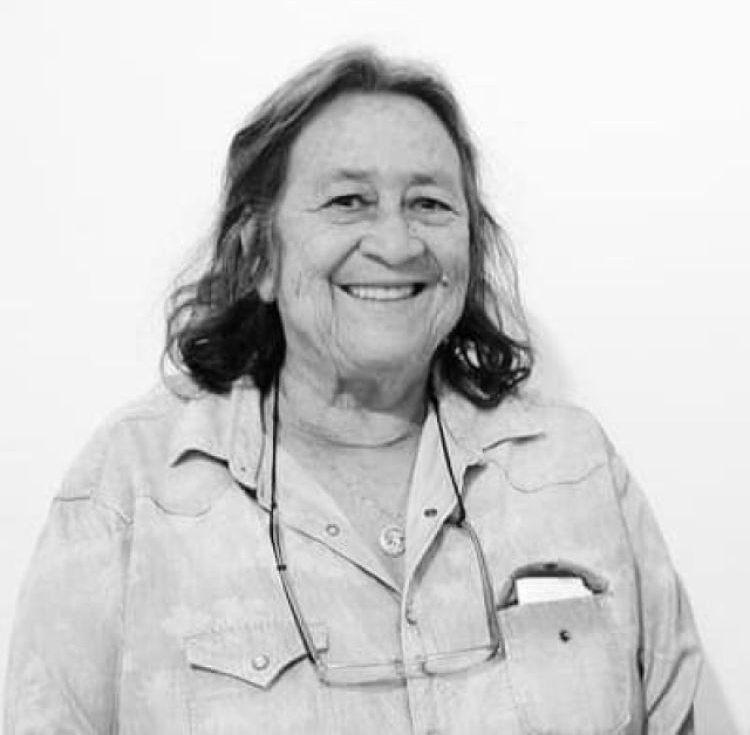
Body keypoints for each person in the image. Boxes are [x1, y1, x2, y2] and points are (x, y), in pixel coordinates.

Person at [5, 47, 701, 734]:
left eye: (429, 203)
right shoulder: (135, 486)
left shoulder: (573, 467)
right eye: (348, 202)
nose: (396, 244)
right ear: (259, 255)